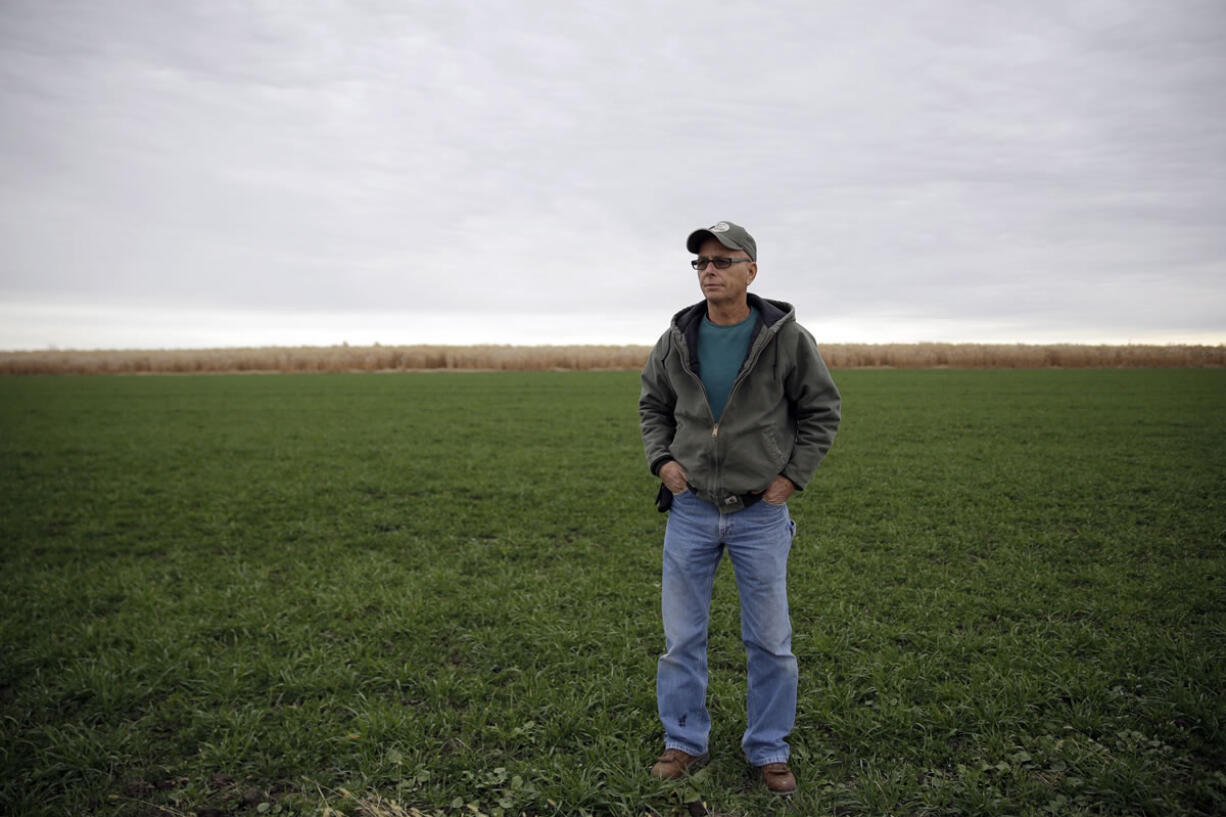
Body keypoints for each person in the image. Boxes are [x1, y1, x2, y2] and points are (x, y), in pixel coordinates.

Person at [638, 220, 841, 796]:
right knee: (682, 638)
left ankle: (770, 748)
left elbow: (822, 410)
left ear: (751, 270)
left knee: (771, 641)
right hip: (691, 509)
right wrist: (663, 462)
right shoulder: (678, 336)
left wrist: (791, 478)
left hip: (760, 513)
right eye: (701, 263)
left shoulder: (786, 339)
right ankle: (682, 742)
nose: (710, 272)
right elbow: (653, 404)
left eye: (722, 261)